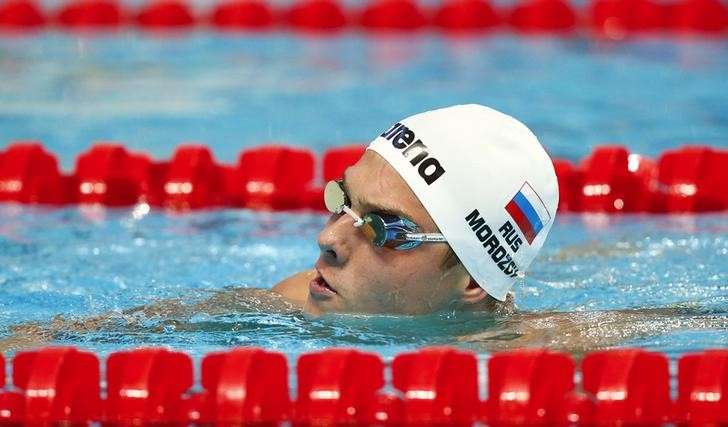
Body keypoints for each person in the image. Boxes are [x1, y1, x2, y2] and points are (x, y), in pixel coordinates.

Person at [272, 104, 558, 316]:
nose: (328, 238)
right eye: (344, 199)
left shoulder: (542, 359)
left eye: (382, 228)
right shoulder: (288, 302)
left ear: (472, 280)